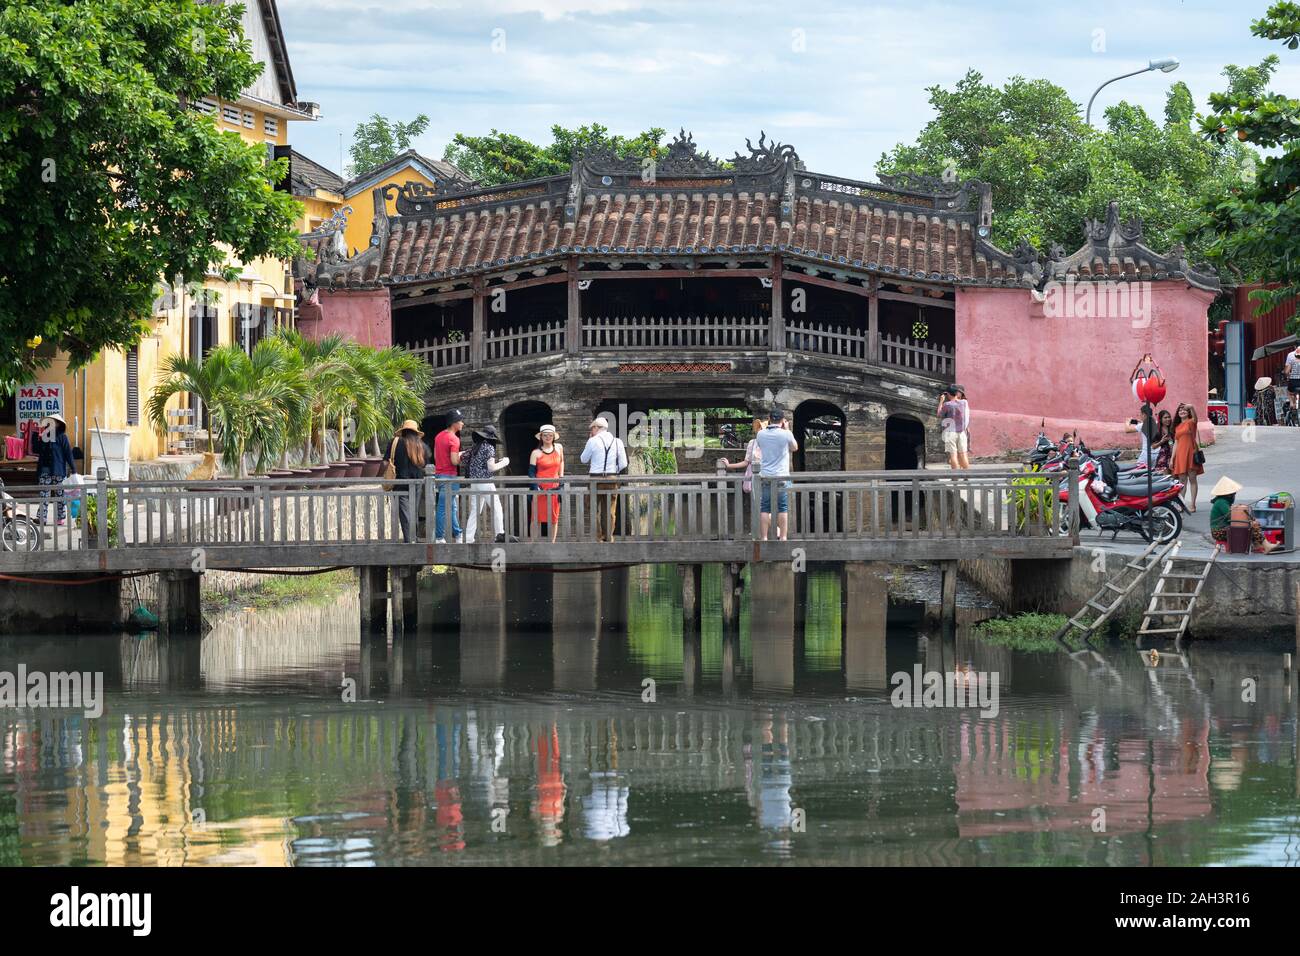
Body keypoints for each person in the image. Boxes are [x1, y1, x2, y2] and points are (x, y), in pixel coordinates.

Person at [579, 416, 628, 543]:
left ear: (596, 428)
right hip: (612, 478)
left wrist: (590, 440)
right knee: (610, 509)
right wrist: (613, 471)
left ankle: (597, 537)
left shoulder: (593, 441)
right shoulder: (618, 442)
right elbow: (623, 463)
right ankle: (609, 536)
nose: (591, 431)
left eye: (592, 428)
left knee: (593, 508)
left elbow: (583, 459)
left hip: (595, 479)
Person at [384, 419, 431, 543]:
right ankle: (414, 538)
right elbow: (425, 465)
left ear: (403, 431)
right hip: (417, 483)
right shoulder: (422, 446)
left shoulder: (395, 442)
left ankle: (409, 541)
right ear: (416, 433)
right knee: (413, 511)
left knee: (405, 514)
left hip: (400, 484)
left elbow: (385, 462)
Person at [754, 408, 798, 541]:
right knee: (782, 507)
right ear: (782, 420)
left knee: (765, 507)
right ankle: (783, 537)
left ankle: (764, 537)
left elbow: (762, 447)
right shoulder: (786, 434)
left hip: (766, 476)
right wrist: (787, 429)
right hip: (782, 476)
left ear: (769, 418)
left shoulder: (760, 434)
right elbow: (794, 448)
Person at [464, 425, 511, 544]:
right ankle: (499, 534)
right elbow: (491, 468)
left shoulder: (476, 446)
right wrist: (505, 462)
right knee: (497, 508)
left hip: (474, 483)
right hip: (485, 482)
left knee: (475, 510)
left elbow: (481, 464)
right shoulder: (489, 447)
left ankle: (468, 538)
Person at [1209, 476, 1279, 553]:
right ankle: (1265, 545)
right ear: (1228, 494)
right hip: (1219, 532)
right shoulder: (1221, 502)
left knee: (1252, 523)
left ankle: (1258, 545)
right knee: (1252, 525)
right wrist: (1249, 521)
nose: (1234, 496)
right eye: (1233, 494)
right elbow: (1232, 518)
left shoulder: (1223, 501)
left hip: (1223, 529)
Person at [31, 413, 76, 525]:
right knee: (44, 495)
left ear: (58, 424)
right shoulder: (44, 436)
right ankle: (42, 518)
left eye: (54, 422)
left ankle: (60, 518)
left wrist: (74, 470)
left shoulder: (62, 437)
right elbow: (36, 449)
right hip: (44, 471)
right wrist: (35, 435)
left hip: (58, 471)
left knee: (60, 495)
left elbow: (68, 454)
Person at [432, 410, 464, 543]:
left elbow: (435, 456)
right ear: (454, 423)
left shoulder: (438, 436)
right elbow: (454, 461)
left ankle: (457, 534)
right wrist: (462, 456)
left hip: (439, 475)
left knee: (452, 506)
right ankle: (439, 537)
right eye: (460, 421)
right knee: (443, 507)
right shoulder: (454, 439)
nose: (462, 423)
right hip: (450, 476)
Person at [529, 424, 563, 542]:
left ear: (554, 436)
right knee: (535, 517)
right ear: (541, 437)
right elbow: (531, 472)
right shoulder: (536, 453)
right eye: (545, 435)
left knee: (554, 516)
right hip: (540, 487)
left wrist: (561, 478)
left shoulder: (559, 448)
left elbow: (562, 462)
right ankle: (533, 542)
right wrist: (535, 486)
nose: (548, 437)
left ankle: (552, 542)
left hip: (554, 486)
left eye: (550, 435)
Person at [1169, 404, 1204, 513]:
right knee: (1182, 481)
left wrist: (1192, 407)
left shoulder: (1191, 422)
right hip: (1180, 454)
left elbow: (1195, 418)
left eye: (1184, 410)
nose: (1182, 412)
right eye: (1180, 410)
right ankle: (1182, 504)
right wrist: (1172, 458)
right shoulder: (1177, 426)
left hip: (1191, 453)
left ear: (1188, 412)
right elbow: (1176, 443)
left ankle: (1193, 505)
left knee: (1192, 479)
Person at [720, 416, 766, 494]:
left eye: (762, 428)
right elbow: (746, 462)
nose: (760, 430)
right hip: (754, 476)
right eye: (759, 428)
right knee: (756, 500)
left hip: (766, 475)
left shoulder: (771, 443)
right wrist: (729, 465)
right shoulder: (752, 442)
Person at [937, 386, 970, 469]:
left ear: (948, 394)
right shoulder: (964, 402)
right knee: (963, 454)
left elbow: (939, 414)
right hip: (962, 432)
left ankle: (955, 478)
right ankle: (966, 476)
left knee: (953, 455)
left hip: (950, 433)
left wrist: (941, 401)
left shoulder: (947, 404)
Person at [1286, 345, 1300, 414]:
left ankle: (1292, 403)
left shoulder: (1292, 360)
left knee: (1289, 392)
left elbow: (1286, 372)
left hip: (1293, 382)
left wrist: (1288, 375)